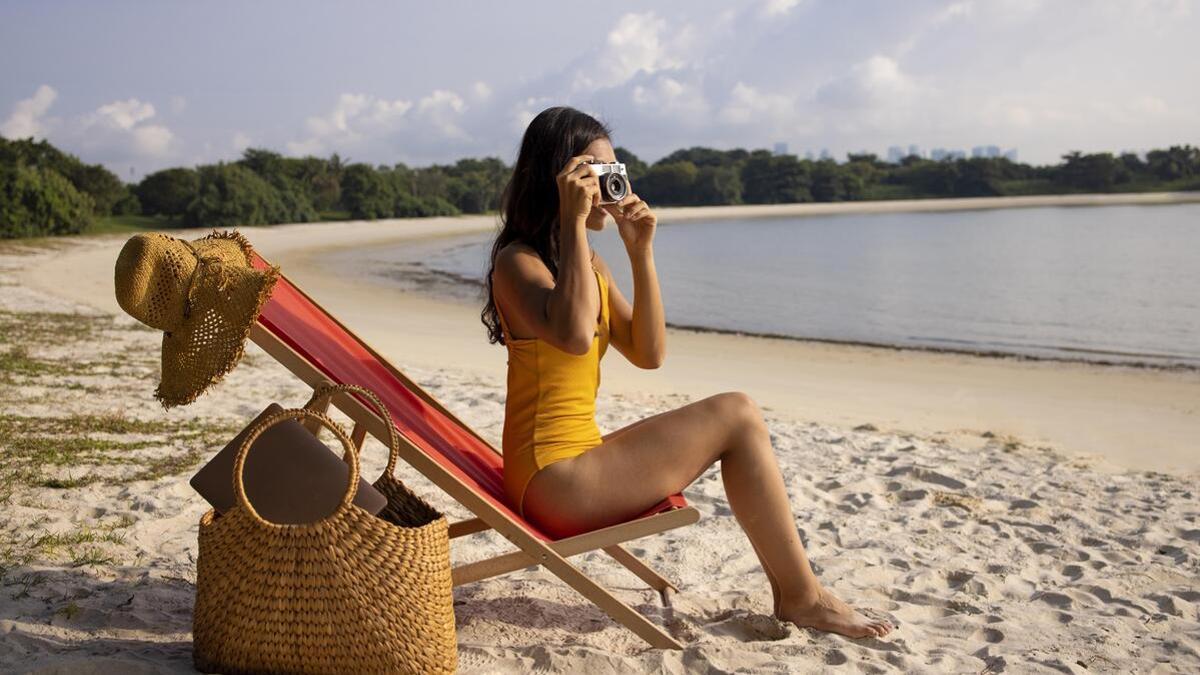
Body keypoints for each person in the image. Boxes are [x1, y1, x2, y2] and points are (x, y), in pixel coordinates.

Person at [481, 106, 894, 639]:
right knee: (737, 414)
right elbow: (577, 334)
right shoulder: (518, 263)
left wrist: (641, 253)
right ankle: (803, 598)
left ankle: (798, 594)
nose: (609, 188)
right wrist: (572, 218)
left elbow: (650, 353)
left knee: (738, 419)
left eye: (614, 173)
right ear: (559, 178)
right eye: (595, 174)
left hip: (576, 460)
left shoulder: (586, 264)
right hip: (553, 482)